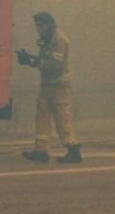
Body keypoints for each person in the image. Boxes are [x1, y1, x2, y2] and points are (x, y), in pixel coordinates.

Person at [16, 11, 81, 163]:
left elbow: (54, 66)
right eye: (37, 26)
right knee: (42, 116)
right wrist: (31, 58)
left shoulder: (59, 40)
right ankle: (41, 151)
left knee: (61, 118)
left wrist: (32, 62)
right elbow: (45, 60)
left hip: (59, 86)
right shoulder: (48, 39)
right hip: (47, 86)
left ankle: (73, 149)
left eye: (41, 26)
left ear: (51, 25)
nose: (39, 29)